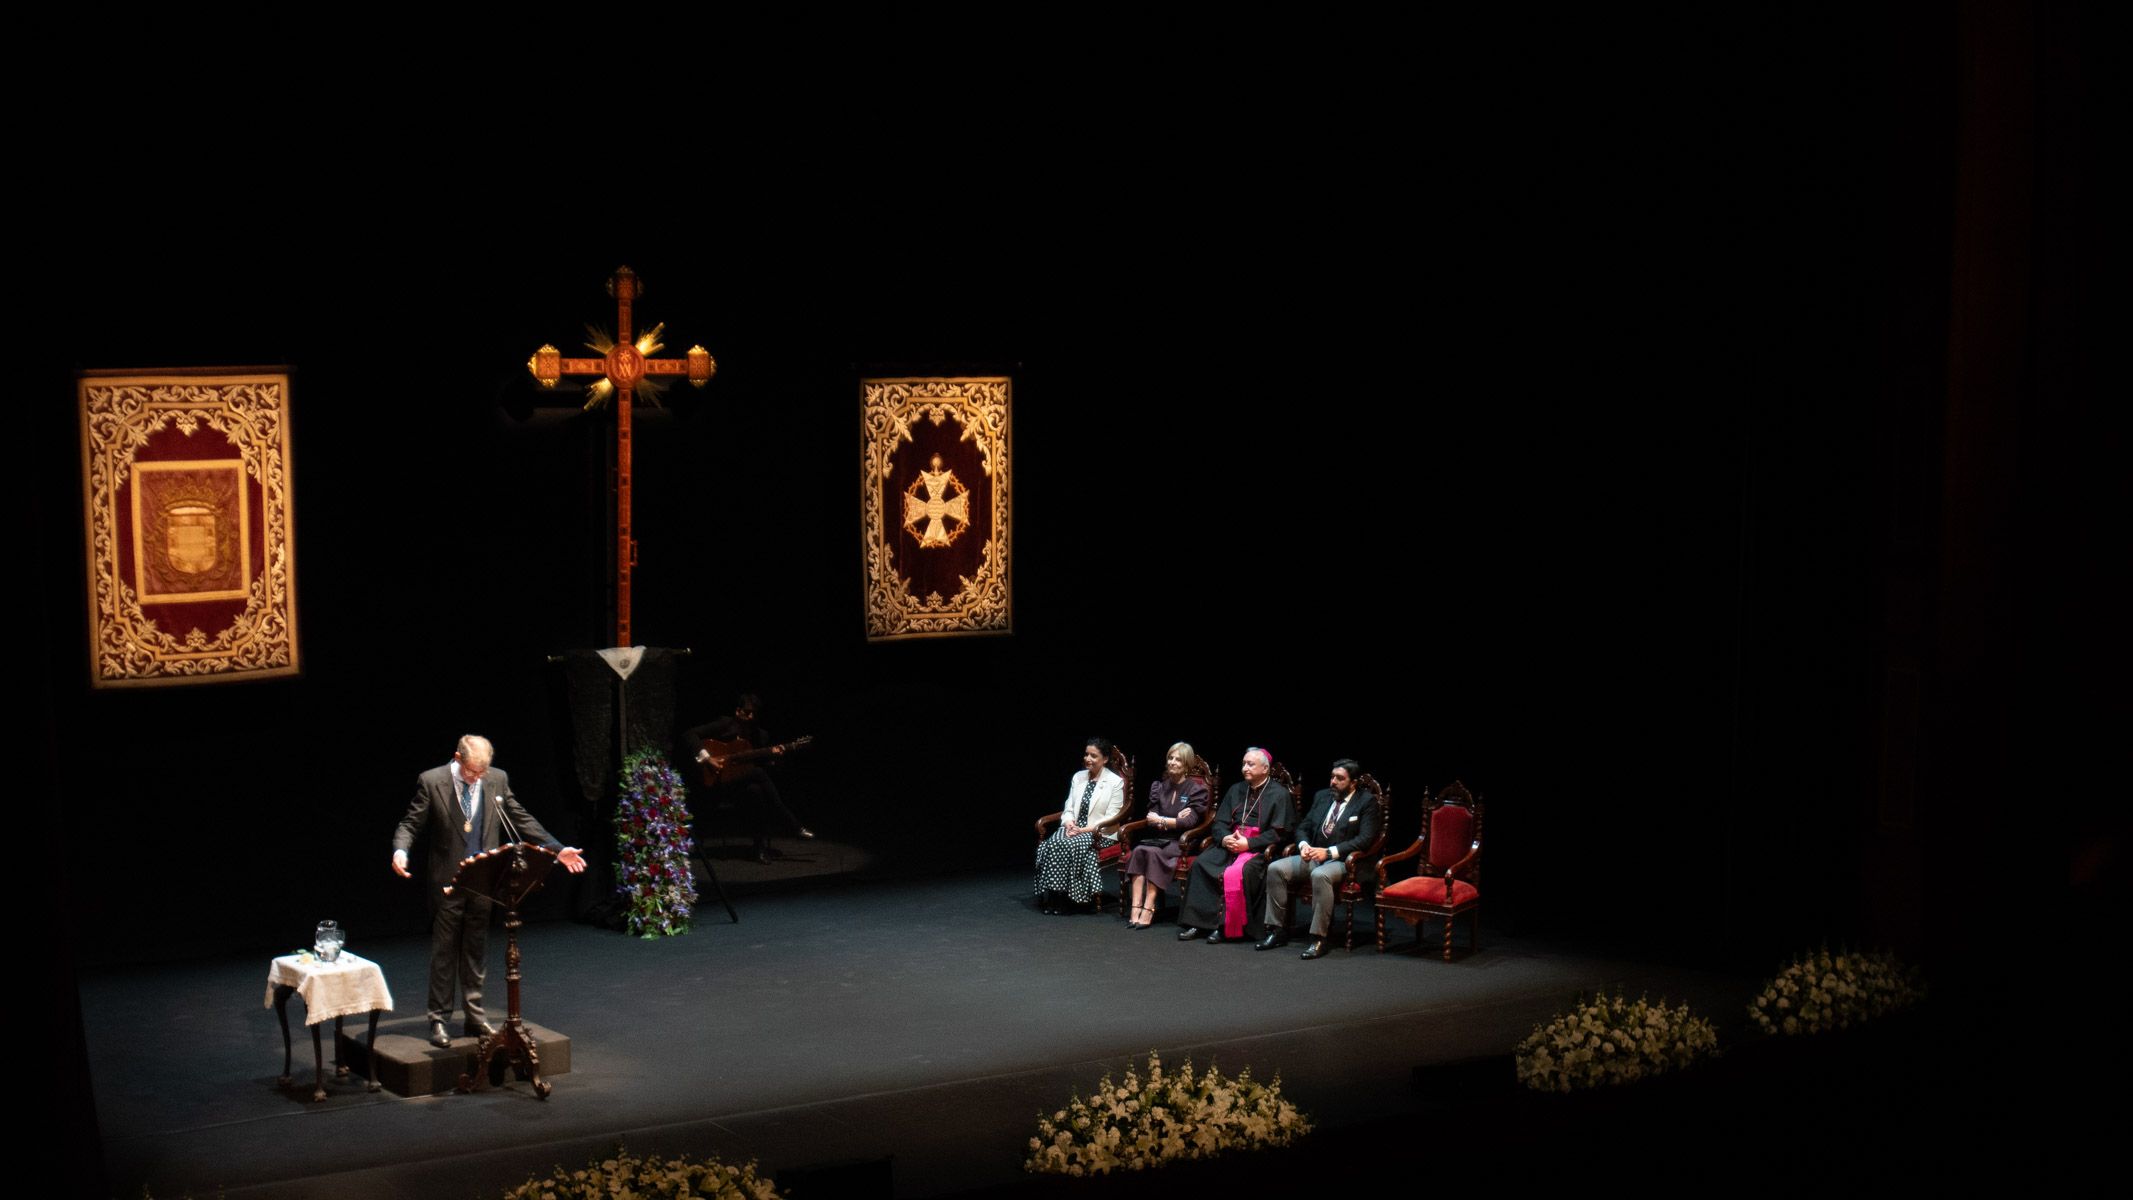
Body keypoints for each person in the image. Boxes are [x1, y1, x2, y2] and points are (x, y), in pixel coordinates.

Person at [392, 734, 586, 1049]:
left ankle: (474, 1015)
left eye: (482, 772)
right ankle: (439, 1019)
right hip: (448, 882)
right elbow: (410, 824)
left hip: (485, 882)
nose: (477, 778)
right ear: (457, 758)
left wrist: (556, 849)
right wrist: (401, 851)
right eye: (472, 772)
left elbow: (522, 818)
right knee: (444, 953)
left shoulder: (496, 780)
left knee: (476, 950)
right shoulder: (432, 782)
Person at [1257, 759, 1382, 959]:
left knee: (1320, 874)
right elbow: (1303, 826)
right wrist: (1304, 846)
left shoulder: (1366, 802)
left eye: (1340, 778)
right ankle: (1276, 930)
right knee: (1275, 868)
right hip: (1315, 855)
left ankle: (1319, 938)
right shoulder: (1323, 797)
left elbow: (1365, 839)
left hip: (1346, 862)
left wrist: (1330, 852)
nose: (1333, 782)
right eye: (1332, 777)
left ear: (1353, 782)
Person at [1176, 748, 1293, 943]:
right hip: (1231, 843)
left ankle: (1223, 927)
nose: (1245, 768)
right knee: (1200, 864)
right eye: (1244, 763)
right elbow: (1219, 822)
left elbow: (1281, 833)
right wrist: (1224, 839)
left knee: (1240, 873)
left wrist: (1249, 843)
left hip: (1258, 849)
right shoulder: (1236, 789)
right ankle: (1197, 923)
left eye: (1250, 764)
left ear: (1265, 769)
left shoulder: (1280, 794)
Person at [683, 693, 814, 863]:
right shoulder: (725, 724)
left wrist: (775, 759)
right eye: (747, 712)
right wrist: (708, 759)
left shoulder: (761, 736)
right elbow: (689, 734)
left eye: (754, 713)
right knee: (757, 775)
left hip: (742, 789)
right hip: (717, 783)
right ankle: (791, 823)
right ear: (738, 711)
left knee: (756, 790)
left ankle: (759, 849)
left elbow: (766, 767)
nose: (751, 716)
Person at [1121, 742, 1211, 929]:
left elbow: (1189, 823)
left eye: (1178, 759)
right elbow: (1150, 818)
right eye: (1170, 758)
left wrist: (1162, 820)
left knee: (1153, 853)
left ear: (1186, 764)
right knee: (1139, 850)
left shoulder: (1196, 789)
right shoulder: (1159, 787)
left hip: (1182, 841)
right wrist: (1172, 820)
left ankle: (1148, 907)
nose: (1172, 762)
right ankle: (1135, 907)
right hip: (1159, 839)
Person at [1035, 736, 1127, 913]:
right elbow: (1068, 806)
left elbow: (1112, 817)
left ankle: (1071, 899)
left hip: (1100, 833)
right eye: (1086, 755)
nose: (1088, 759)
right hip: (1073, 828)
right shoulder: (1078, 777)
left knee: (1067, 844)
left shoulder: (1115, 782)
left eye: (1093, 756)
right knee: (1053, 843)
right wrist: (1069, 822)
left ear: (1105, 759)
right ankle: (1056, 896)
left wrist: (1082, 830)